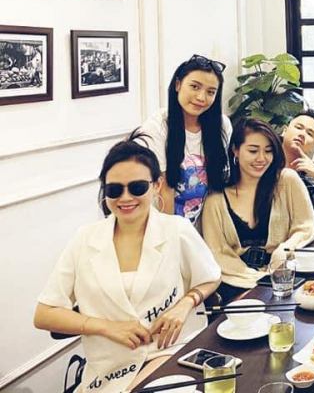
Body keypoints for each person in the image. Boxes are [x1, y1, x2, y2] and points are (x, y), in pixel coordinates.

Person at [33, 134, 221, 392]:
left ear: (157, 185)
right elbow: (44, 314)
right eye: (114, 189)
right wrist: (107, 327)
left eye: (137, 187)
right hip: (107, 370)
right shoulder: (85, 239)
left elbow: (211, 276)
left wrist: (185, 304)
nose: (125, 198)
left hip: (169, 354)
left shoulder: (176, 230)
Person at [200, 118, 314, 303]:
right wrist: (257, 279)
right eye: (253, 151)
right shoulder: (216, 199)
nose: (262, 158)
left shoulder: (286, 181)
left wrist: (286, 248)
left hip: (285, 278)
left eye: (268, 151)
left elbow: (307, 226)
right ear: (235, 150)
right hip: (236, 286)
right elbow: (218, 254)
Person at [139, 54, 232, 221]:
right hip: (161, 221)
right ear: (178, 84)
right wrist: (171, 235)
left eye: (210, 92)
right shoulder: (157, 127)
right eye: (195, 87)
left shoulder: (222, 125)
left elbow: (216, 187)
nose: (201, 97)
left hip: (202, 224)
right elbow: (164, 190)